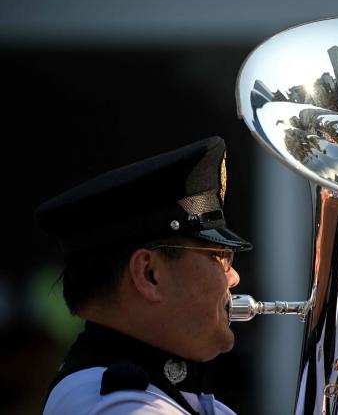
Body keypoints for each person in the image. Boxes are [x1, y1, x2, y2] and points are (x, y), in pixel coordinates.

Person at [36, 136, 251, 415]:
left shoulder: (160, 395)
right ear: (149, 274)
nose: (233, 277)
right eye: (218, 256)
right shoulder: (115, 404)